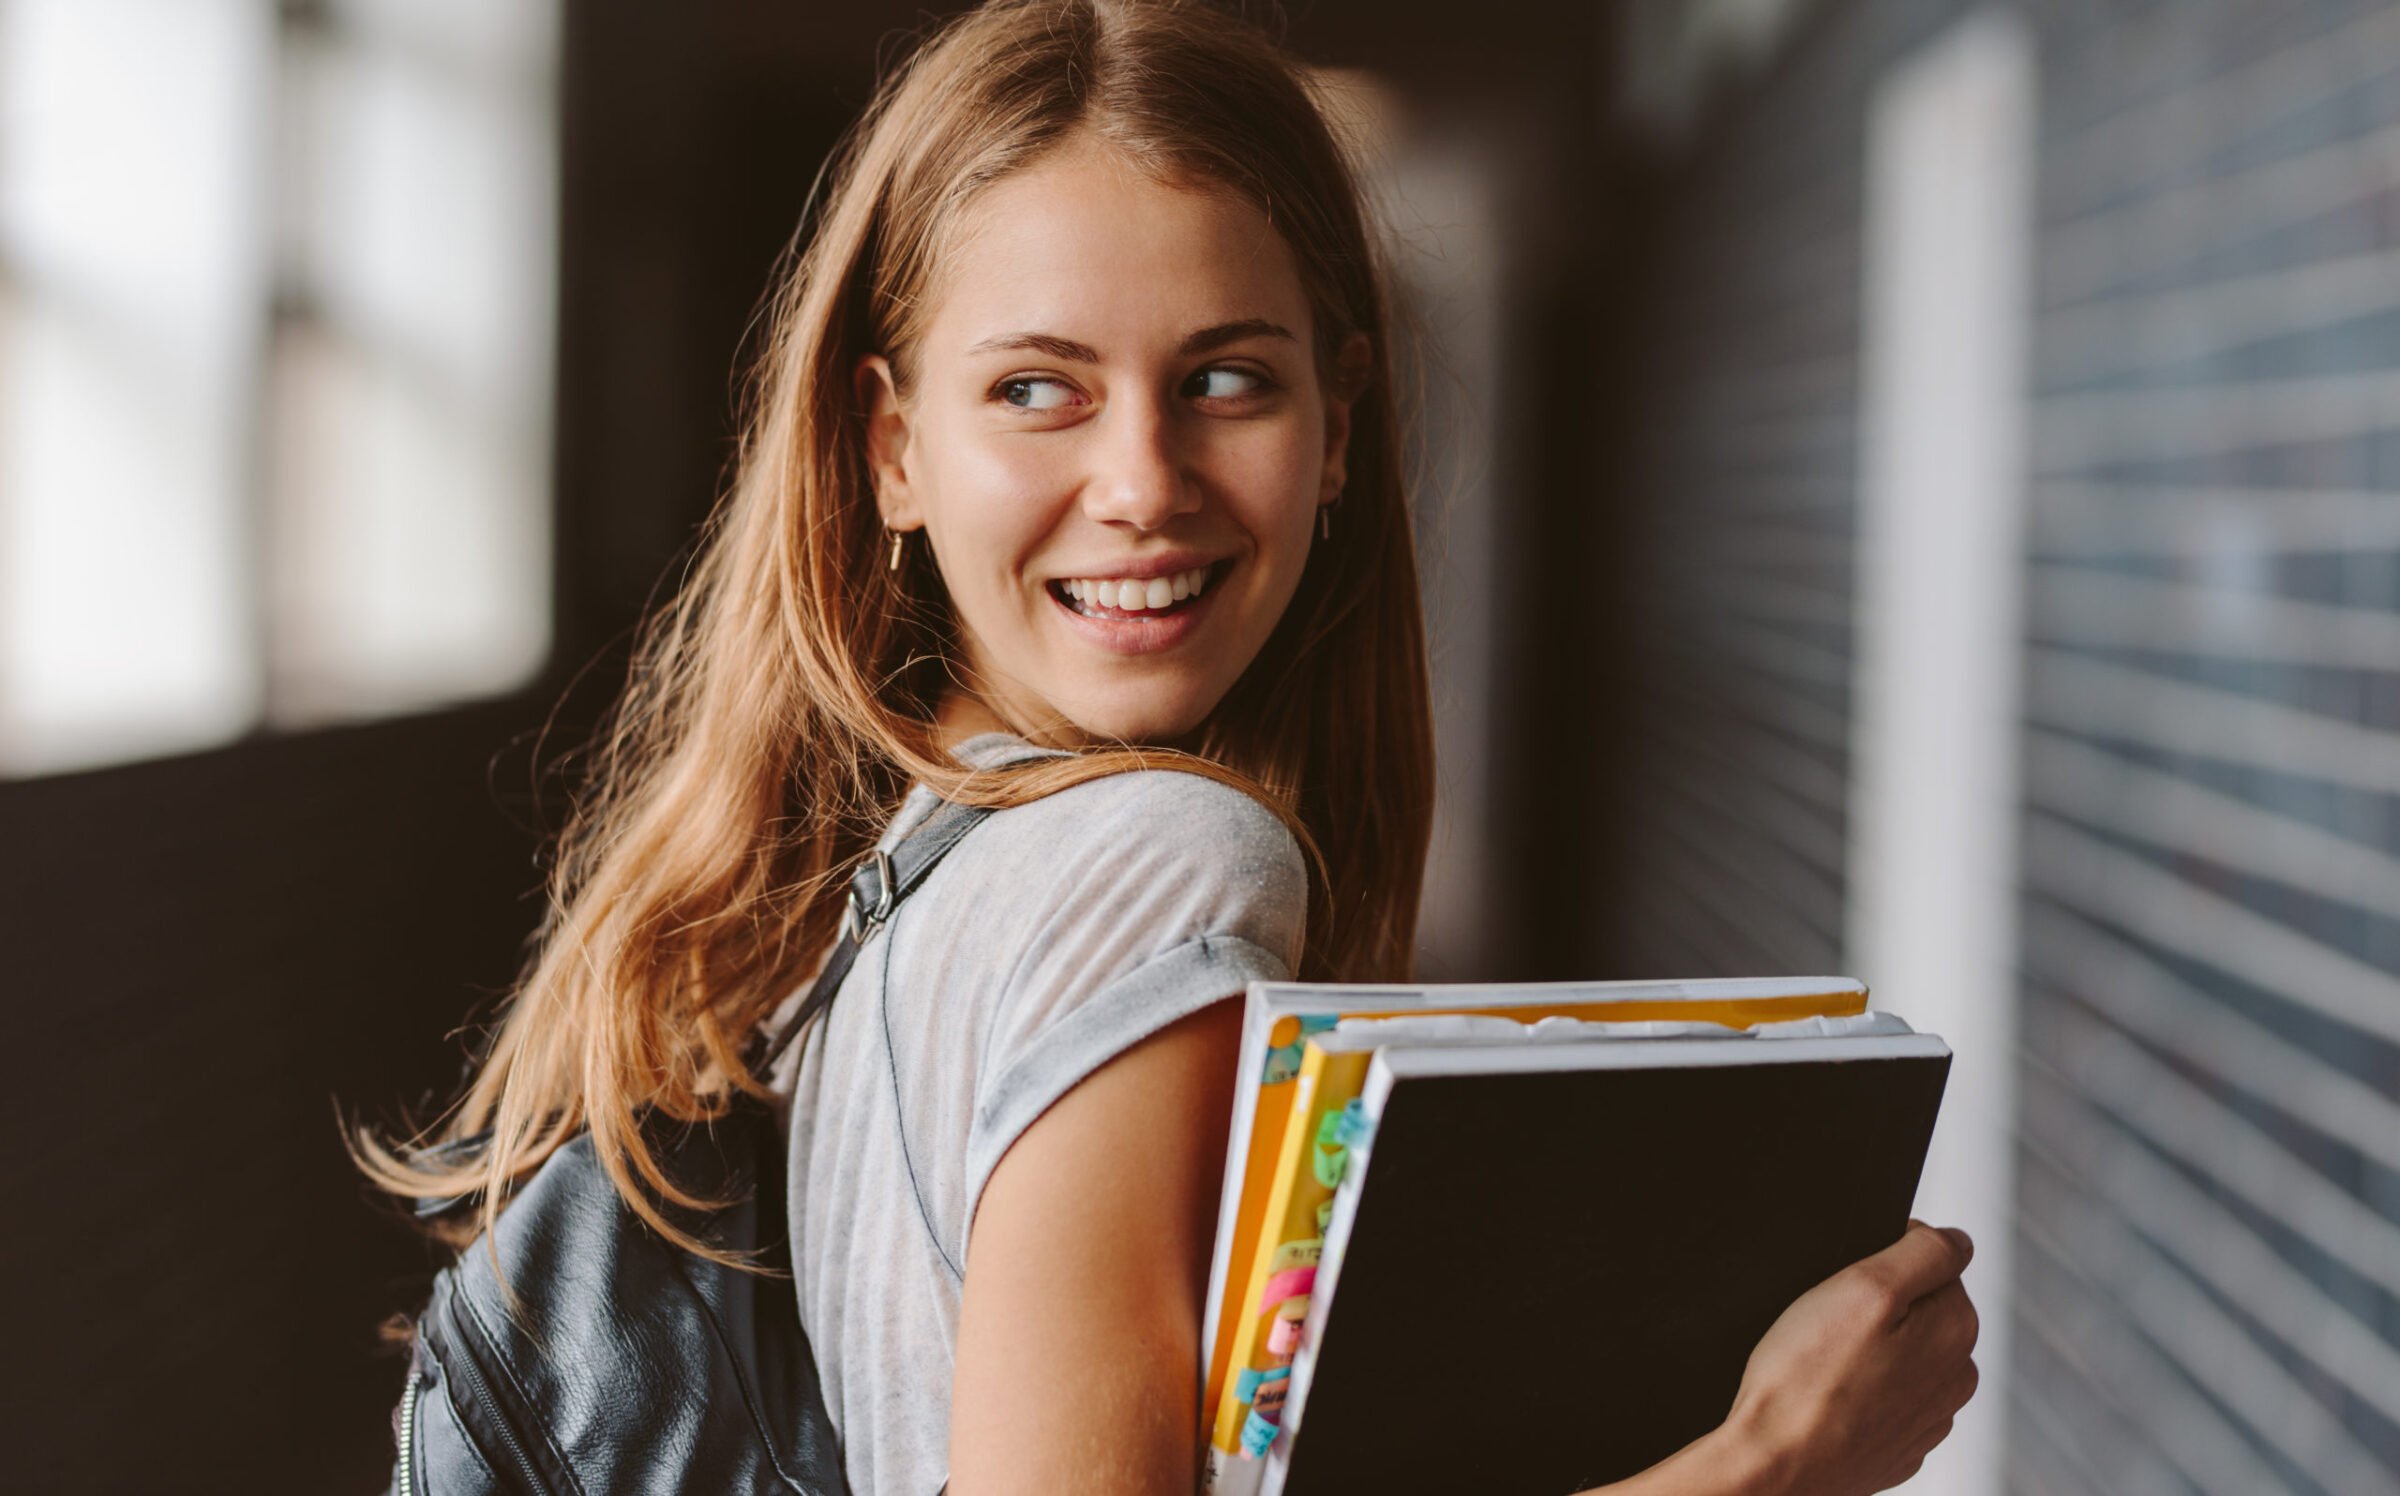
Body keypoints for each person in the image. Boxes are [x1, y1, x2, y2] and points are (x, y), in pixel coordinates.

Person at [356, 1, 1980, 1492]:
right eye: (1039, 392)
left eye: (1224, 380)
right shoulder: (1146, 862)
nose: (1143, 479)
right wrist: (1772, 1457)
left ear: (1338, 429)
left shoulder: (882, 864)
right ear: (893, 445)